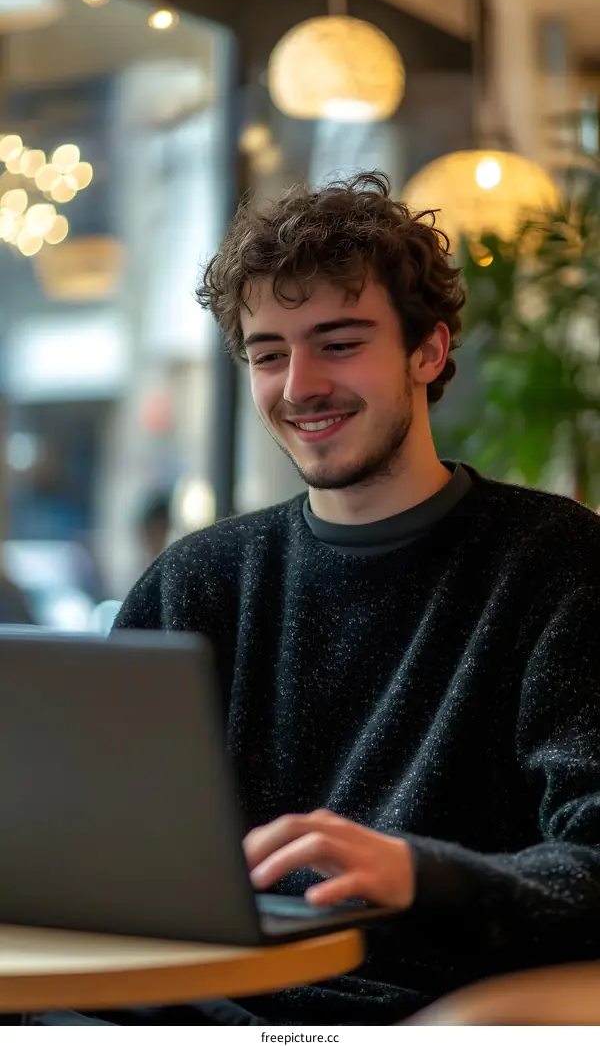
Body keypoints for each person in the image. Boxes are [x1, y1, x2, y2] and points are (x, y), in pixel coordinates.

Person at [39, 172, 600, 1026]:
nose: (299, 385)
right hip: (168, 1003)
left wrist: (418, 872)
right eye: (269, 354)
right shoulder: (196, 579)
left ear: (429, 351)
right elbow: (91, 845)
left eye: (339, 342)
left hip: (406, 1008)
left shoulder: (558, 565)